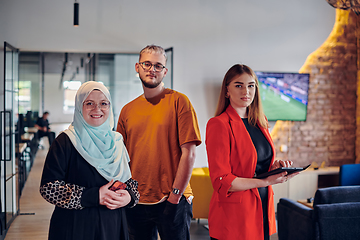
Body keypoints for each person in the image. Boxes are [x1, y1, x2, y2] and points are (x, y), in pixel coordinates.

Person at [117, 45, 202, 240]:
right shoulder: (127, 110)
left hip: (172, 200)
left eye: (158, 65)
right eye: (147, 64)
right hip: (136, 200)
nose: (152, 69)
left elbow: (189, 153)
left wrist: (175, 197)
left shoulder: (180, 102)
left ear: (165, 71)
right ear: (137, 67)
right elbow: (120, 157)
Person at [205, 64, 299, 240]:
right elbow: (222, 181)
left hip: (262, 206)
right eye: (238, 85)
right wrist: (264, 181)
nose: (246, 91)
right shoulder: (219, 124)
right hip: (234, 216)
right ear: (227, 91)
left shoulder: (260, 121)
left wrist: (275, 167)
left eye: (251, 85)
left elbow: (257, 164)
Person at [40, 81, 139, 240]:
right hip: (75, 228)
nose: (97, 109)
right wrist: (94, 196)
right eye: (89, 103)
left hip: (113, 227)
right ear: (79, 107)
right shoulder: (65, 141)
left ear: (110, 107)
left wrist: (130, 197)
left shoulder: (117, 142)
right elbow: (49, 188)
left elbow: (130, 183)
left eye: (103, 103)